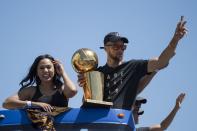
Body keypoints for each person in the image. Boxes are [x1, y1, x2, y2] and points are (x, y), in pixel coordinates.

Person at [78, 16, 187, 110]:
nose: (120, 50)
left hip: (120, 124)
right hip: (99, 125)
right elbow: (86, 103)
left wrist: (175, 39)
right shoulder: (97, 73)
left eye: (123, 47)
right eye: (116, 46)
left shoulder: (133, 66)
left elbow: (161, 62)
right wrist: (86, 87)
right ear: (106, 48)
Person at [2, 54, 77, 111]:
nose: (45, 70)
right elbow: (7, 103)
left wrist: (63, 72)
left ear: (54, 69)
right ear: (37, 72)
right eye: (41, 68)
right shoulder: (31, 91)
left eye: (49, 67)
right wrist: (34, 104)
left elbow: (72, 91)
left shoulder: (62, 88)